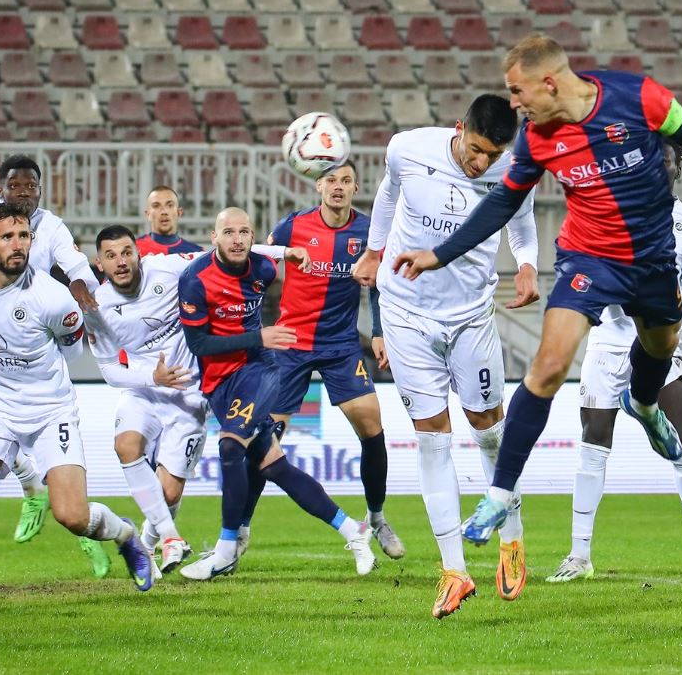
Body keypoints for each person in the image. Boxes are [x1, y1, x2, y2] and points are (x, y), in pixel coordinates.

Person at [390, 35, 682, 555]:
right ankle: (499, 494)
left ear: (549, 82)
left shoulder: (638, 97)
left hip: (652, 260)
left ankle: (643, 405)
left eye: (517, 91)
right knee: (549, 366)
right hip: (587, 259)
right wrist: (439, 254)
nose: (513, 103)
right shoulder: (536, 139)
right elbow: (502, 204)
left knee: (661, 349)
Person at [352, 94, 541, 618]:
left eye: (492, 154)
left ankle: (511, 537)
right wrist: (374, 249)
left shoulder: (513, 168)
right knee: (432, 437)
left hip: (471, 315)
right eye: (476, 149)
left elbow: (522, 221)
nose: (481, 162)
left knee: (489, 429)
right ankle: (454, 571)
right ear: (459, 128)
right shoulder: (407, 148)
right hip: (406, 312)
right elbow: (388, 193)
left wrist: (527, 263)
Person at [0, 203, 152, 615]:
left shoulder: (54, 299)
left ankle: (125, 535)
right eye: (7, 237)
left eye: (24, 236)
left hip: (50, 411)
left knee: (72, 515)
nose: (18, 245)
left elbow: (71, 351)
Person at [549, 141, 682, 583]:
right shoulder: (608, 213)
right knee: (593, 444)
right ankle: (579, 554)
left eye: (667, 161)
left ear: (678, 168)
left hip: (663, 341)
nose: (659, 168)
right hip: (608, 342)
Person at [0, 155, 108, 576]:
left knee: (61, 496)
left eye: (31, 186)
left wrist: (79, 284)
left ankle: (70, 515)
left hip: (32, 342)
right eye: (15, 186)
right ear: (1, 190)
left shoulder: (52, 227)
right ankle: (34, 489)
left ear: (40, 192)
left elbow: (78, 269)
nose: (23, 192)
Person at [176, 207, 376, 581]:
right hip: (220, 380)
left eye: (244, 232)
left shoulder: (263, 269)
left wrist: (261, 337)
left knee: (231, 447)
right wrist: (259, 332)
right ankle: (354, 530)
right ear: (214, 238)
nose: (237, 240)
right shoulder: (195, 280)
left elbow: (264, 257)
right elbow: (199, 344)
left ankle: (225, 551)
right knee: (273, 466)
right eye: (229, 232)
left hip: (260, 371)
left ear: (253, 238)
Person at [248, 162, 404, 561]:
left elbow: (376, 284)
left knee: (371, 424)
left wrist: (379, 331)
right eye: (331, 180)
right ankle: (239, 533)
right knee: (265, 440)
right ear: (318, 185)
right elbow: (258, 266)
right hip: (291, 344)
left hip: (341, 345)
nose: (338, 187)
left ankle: (377, 517)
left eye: (346, 181)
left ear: (356, 188)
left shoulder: (369, 232)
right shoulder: (291, 227)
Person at [87, 225, 208, 577]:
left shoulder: (167, 267)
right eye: (111, 256)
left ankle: (146, 545)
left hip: (188, 394)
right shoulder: (97, 306)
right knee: (126, 445)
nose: (121, 261)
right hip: (143, 390)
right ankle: (171, 538)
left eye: (127, 252)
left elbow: (222, 254)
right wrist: (152, 378)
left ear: (139, 253)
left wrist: (282, 253)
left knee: (167, 495)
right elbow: (111, 370)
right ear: (100, 264)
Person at [136, 185, 202, 256]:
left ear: (179, 213)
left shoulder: (197, 253)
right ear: (148, 215)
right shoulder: (134, 249)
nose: (164, 212)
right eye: (156, 206)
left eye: (170, 205)